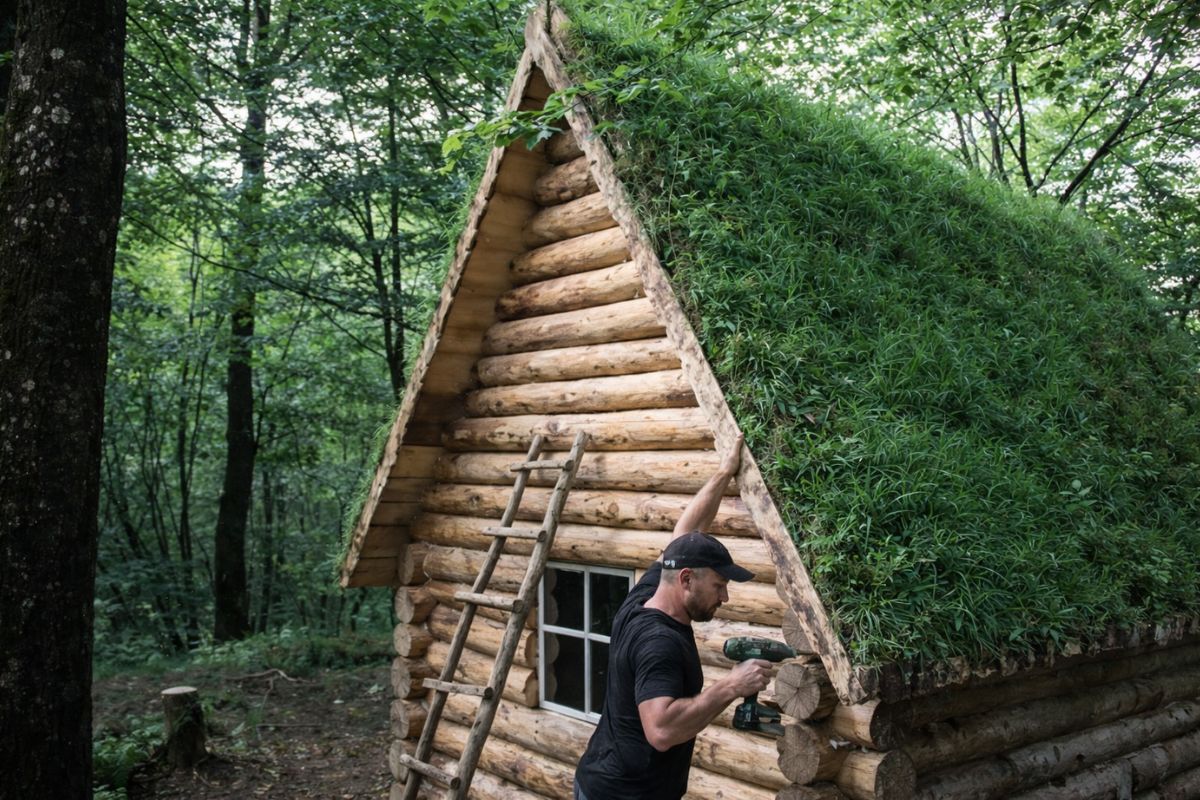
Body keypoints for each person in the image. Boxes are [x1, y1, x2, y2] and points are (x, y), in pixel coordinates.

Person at [573, 434, 773, 800]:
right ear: (686, 579)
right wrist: (732, 685)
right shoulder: (659, 644)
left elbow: (687, 533)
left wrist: (724, 472)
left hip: (602, 779)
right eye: (718, 585)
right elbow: (661, 730)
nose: (725, 596)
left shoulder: (647, 593)